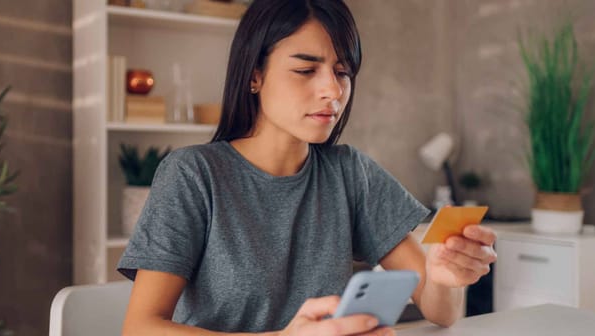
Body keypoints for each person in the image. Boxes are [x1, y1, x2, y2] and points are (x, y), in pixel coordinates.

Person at [118, 0, 497, 335]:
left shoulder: (351, 174)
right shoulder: (192, 175)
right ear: (255, 75)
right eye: (305, 70)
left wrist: (446, 280)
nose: (332, 91)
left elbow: (440, 312)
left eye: (343, 71)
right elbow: (139, 329)